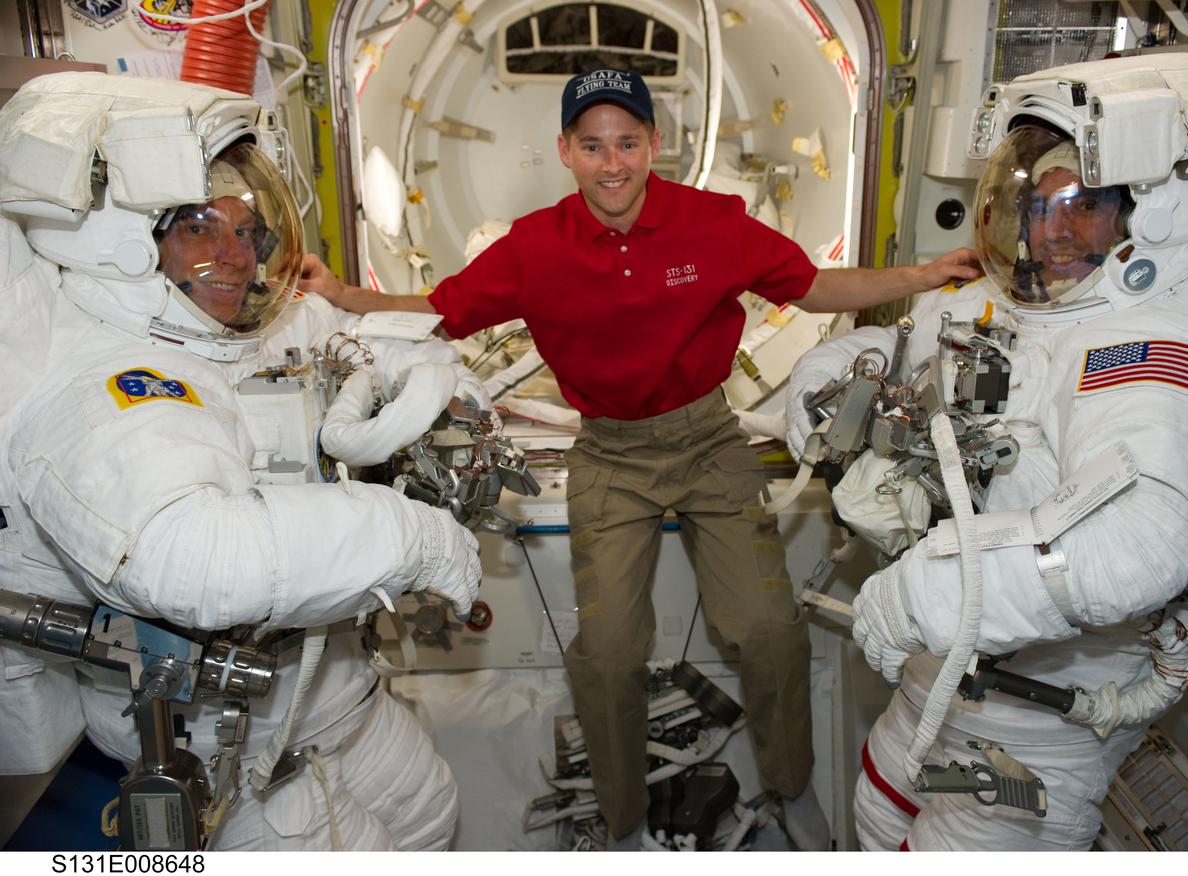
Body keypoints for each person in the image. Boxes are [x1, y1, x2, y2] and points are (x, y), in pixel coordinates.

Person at [298, 67, 981, 849]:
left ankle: (791, 787)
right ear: (565, 150)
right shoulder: (535, 247)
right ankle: (622, 826)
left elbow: (810, 286)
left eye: (627, 142)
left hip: (708, 440)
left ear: (655, 144)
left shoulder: (712, 223)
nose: (612, 162)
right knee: (611, 650)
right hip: (610, 453)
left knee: (765, 629)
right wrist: (350, 299)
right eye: (592, 145)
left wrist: (919, 276)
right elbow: (445, 311)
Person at [786, 52, 1188, 849]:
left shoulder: (1154, 353)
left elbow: (1135, 547)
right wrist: (821, 391)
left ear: (1148, 219)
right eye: (1036, 205)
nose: (1050, 232)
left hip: (1046, 706)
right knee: (878, 815)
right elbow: (889, 344)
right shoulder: (1011, 304)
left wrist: (924, 596)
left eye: (1081, 209)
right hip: (943, 673)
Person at [0, 71, 484, 850]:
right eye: (198, 226)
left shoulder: (231, 328)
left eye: (246, 229)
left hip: (338, 705)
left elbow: (343, 337)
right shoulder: (108, 386)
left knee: (435, 815)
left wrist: (438, 379)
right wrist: (408, 536)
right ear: (126, 243)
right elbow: (187, 556)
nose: (235, 254)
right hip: (241, 762)